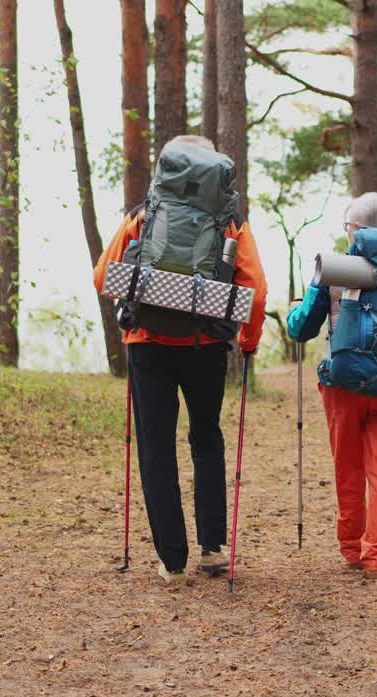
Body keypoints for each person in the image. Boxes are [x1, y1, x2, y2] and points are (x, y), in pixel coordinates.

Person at [93, 135, 268, 584]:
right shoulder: (231, 220)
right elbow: (257, 290)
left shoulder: (143, 213)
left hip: (146, 344)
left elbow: (102, 278)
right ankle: (213, 549)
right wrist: (248, 342)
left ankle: (172, 559)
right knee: (206, 438)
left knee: (156, 448)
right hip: (205, 346)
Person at [285, 192, 377, 579]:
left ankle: (352, 549)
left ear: (358, 230)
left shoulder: (336, 268)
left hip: (344, 386)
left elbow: (302, 328)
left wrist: (294, 310)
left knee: (348, 467)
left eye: (349, 226)